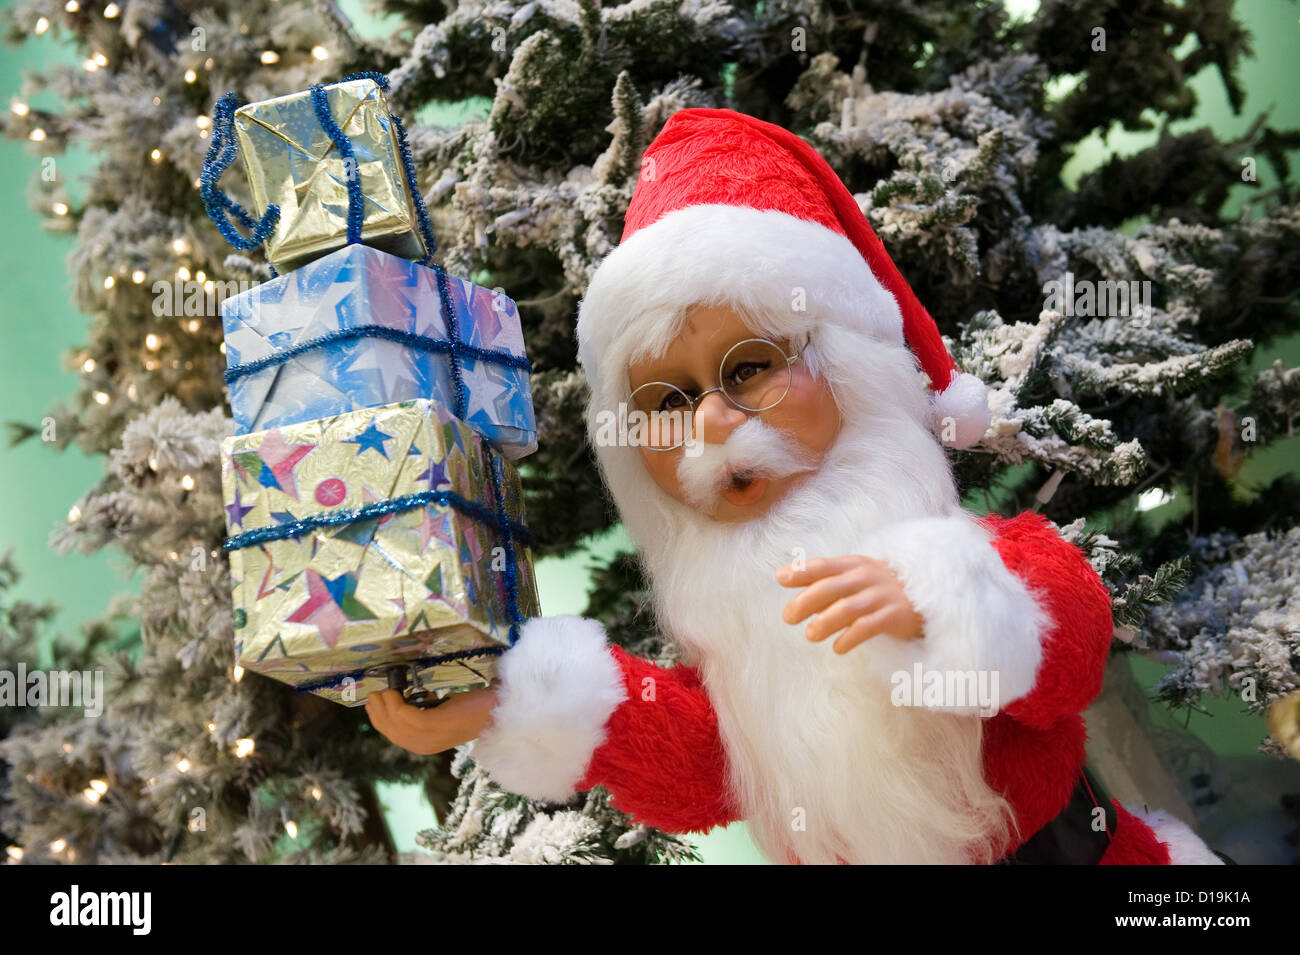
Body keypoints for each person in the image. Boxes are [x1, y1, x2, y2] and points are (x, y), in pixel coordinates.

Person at [366, 108, 1221, 865]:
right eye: (665, 400)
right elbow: (705, 770)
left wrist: (949, 598)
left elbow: (1069, 639)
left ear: (844, 366)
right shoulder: (732, 634)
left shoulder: (987, 558)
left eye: (750, 367)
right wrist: (511, 700)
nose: (713, 419)